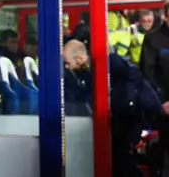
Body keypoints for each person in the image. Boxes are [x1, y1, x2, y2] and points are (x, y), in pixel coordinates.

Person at [63, 40, 169, 177]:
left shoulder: (110, 63)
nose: (66, 67)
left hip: (131, 116)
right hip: (122, 117)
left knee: (121, 158)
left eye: (67, 62)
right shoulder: (86, 73)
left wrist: (122, 106)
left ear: (80, 58)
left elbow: (134, 86)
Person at [141, 3, 169, 175]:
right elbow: (148, 74)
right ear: (165, 16)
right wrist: (163, 102)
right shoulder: (153, 39)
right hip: (164, 110)